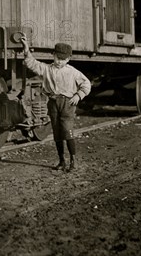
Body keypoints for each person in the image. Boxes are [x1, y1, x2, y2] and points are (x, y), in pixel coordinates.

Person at [20, 37, 91, 172]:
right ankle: (62, 161)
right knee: (57, 133)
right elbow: (31, 63)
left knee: (67, 131)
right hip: (53, 103)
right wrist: (26, 47)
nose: (60, 62)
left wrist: (78, 95)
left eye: (63, 59)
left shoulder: (73, 72)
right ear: (53, 55)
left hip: (67, 104)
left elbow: (86, 84)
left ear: (68, 59)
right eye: (58, 58)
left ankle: (73, 161)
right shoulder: (47, 69)